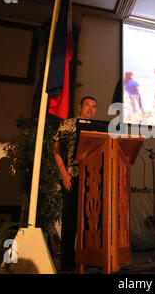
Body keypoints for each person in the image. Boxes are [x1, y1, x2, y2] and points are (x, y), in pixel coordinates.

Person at [52, 96, 97, 272]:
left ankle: (89, 258)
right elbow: (56, 151)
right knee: (70, 221)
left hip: (93, 180)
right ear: (80, 107)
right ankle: (68, 262)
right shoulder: (68, 124)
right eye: (87, 105)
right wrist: (64, 174)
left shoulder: (97, 129)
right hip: (72, 177)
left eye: (94, 107)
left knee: (90, 221)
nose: (91, 109)